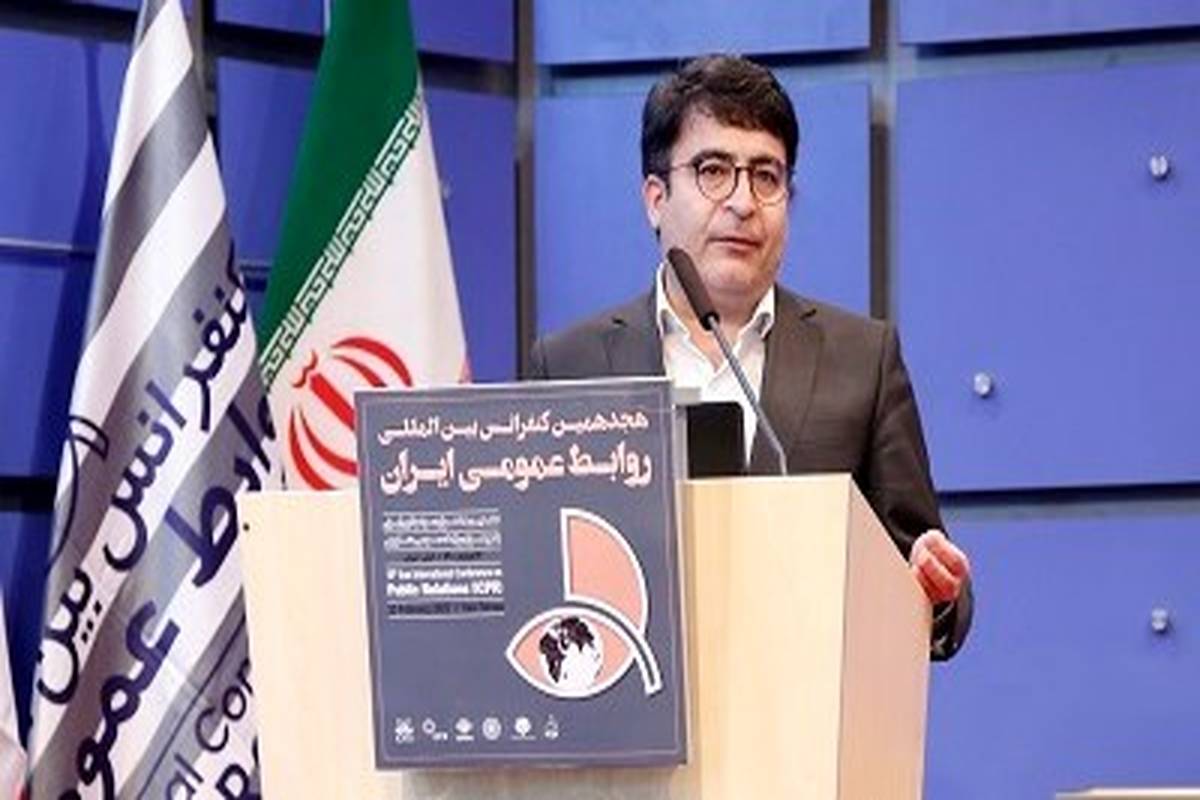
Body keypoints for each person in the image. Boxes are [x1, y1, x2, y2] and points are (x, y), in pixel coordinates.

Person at [529, 54, 972, 659]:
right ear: (655, 198)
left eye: (766, 176)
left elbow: (929, 580)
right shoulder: (570, 364)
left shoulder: (862, 361)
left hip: (801, 706)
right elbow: (538, 578)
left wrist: (934, 589)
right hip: (630, 701)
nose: (743, 202)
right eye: (713, 171)